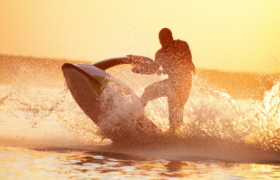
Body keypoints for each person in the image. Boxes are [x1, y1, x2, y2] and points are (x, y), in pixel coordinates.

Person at [132, 28, 195, 131]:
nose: (162, 42)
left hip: (184, 83)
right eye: (160, 40)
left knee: (175, 109)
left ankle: (175, 133)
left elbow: (187, 64)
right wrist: (140, 70)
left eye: (165, 39)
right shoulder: (160, 53)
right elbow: (153, 68)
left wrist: (171, 70)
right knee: (148, 91)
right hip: (171, 82)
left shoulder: (182, 45)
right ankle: (135, 115)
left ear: (171, 38)